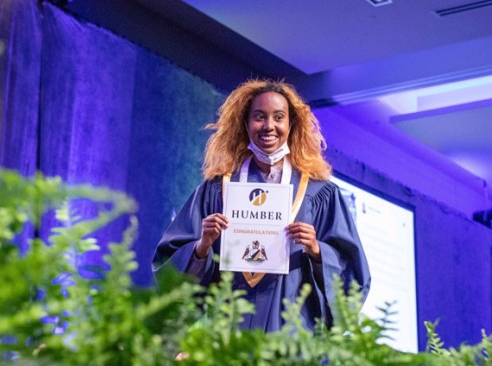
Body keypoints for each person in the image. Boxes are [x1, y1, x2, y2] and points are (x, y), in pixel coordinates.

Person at [153, 79, 371, 332]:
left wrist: (317, 250)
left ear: (291, 124)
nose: (269, 126)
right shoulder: (216, 190)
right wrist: (202, 247)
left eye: (279, 117)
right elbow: (169, 272)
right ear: (245, 124)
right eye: (259, 117)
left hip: (291, 337)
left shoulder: (320, 193)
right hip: (228, 334)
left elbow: (353, 272)